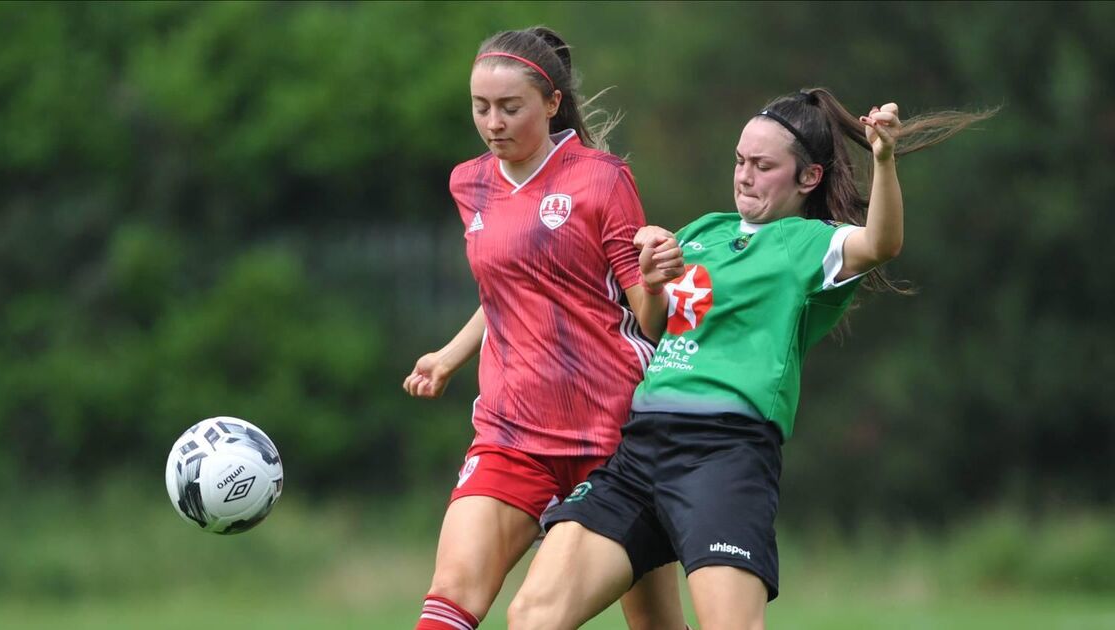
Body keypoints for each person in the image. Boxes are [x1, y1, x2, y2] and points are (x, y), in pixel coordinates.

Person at [506, 88, 996, 630]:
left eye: (763, 166)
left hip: (725, 454)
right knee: (533, 616)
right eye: (740, 161)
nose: (744, 176)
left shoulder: (808, 243)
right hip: (641, 447)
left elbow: (882, 242)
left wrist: (883, 161)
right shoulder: (702, 233)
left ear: (808, 177)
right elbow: (653, 324)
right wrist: (649, 276)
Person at [402, 26, 687, 630]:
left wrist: (658, 280)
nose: (493, 122)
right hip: (511, 432)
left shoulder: (602, 178)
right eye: (481, 107)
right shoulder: (469, 182)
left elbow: (647, 317)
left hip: (613, 442)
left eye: (510, 107)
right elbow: (514, 282)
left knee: (656, 625)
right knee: (449, 600)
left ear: (552, 103)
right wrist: (450, 355)